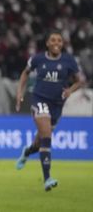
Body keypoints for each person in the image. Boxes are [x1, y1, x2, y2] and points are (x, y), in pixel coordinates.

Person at [15, 30, 82, 191]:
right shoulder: (38, 59)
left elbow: (79, 81)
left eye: (59, 40)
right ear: (47, 43)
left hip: (57, 105)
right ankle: (47, 178)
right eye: (53, 40)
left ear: (62, 43)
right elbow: (25, 73)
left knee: (40, 143)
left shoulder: (68, 61)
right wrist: (20, 93)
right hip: (39, 100)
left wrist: (70, 91)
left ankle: (28, 151)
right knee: (47, 137)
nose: (56, 43)